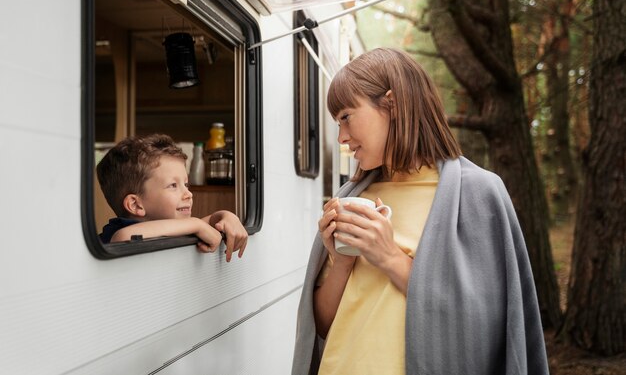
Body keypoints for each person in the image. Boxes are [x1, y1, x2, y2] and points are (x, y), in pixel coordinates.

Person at [291, 48, 548, 375]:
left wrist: (389, 257)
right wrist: (341, 262)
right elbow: (323, 326)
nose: (341, 137)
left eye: (346, 117)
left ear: (393, 104)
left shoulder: (479, 194)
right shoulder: (353, 197)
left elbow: (483, 326)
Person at [96, 133, 247, 261]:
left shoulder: (170, 225)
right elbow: (124, 237)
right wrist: (196, 224)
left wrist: (225, 216)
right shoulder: (121, 232)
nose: (188, 194)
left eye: (186, 185)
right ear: (136, 205)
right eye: (173, 185)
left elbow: (205, 223)